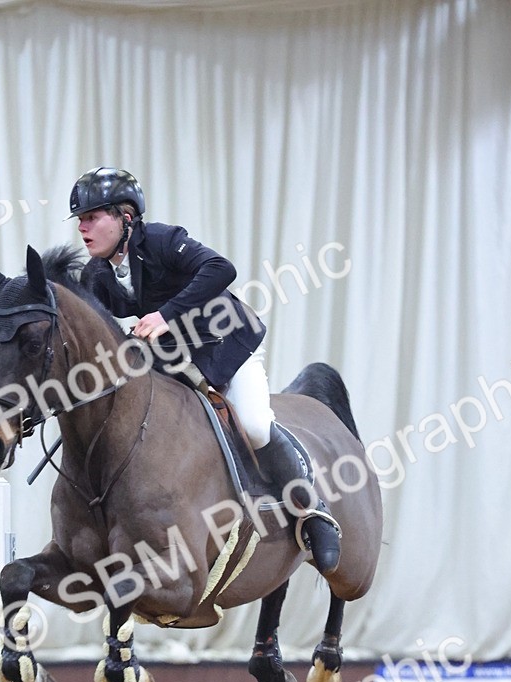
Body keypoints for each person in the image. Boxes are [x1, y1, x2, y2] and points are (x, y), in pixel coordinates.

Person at [69, 167, 341, 573]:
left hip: (223, 349)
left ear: (125, 217)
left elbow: (221, 269)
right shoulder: (95, 275)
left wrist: (164, 314)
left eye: (91, 217)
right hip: (170, 366)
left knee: (253, 425)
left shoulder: (161, 240)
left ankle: (311, 510)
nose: (82, 227)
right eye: (79, 220)